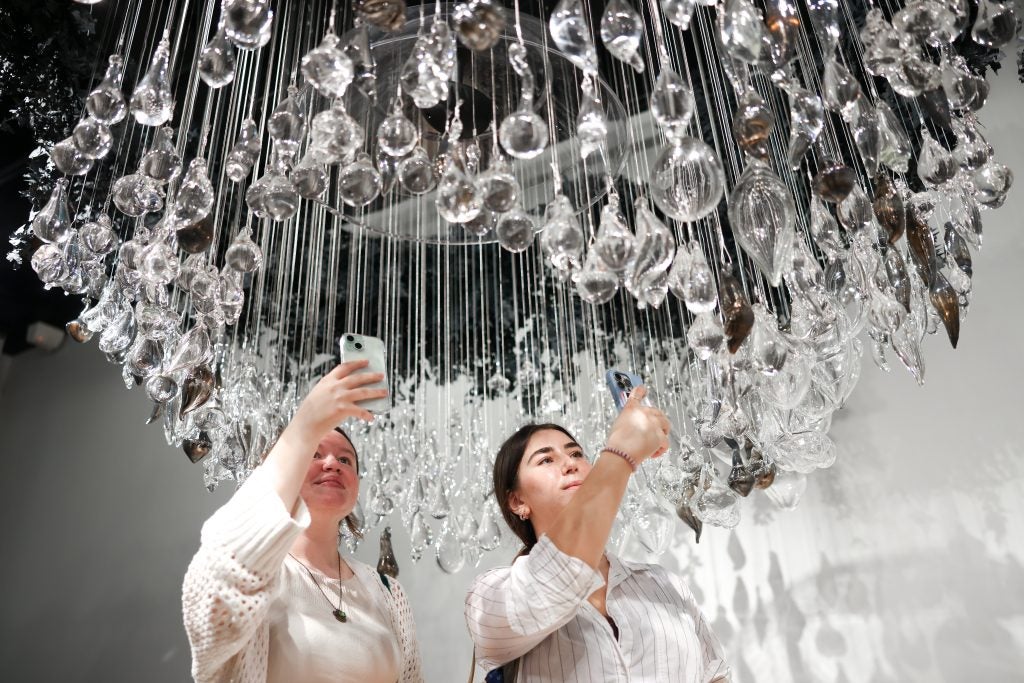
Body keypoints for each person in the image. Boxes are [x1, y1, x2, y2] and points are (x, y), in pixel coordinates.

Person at [465, 387, 730, 682]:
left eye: (576, 453)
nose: (570, 463)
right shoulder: (490, 595)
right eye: (545, 460)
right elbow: (553, 582)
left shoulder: (664, 584)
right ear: (517, 501)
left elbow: (716, 673)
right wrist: (621, 451)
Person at [183, 360, 424, 683]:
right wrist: (304, 426)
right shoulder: (257, 576)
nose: (332, 464)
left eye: (345, 460)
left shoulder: (388, 591)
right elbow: (216, 583)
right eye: (314, 453)